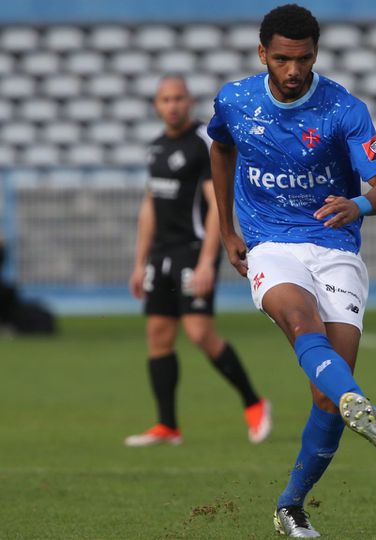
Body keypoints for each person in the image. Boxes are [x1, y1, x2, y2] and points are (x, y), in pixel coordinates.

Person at [206, 4, 376, 537]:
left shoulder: (344, 109)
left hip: (336, 248)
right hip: (271, 244)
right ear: (263, 54)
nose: (294, 71)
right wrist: (227, 228)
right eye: (284, 59)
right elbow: (220, 149)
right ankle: (358, 401)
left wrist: (358, 205)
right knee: (300, 322)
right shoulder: (235, 99)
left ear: (316, 54)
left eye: (305, 59)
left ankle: (290, 505)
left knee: (323, 395)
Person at [126, 75, 271, 447]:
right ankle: (167, 426)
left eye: (178, 98)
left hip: (193, 251)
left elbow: (213, 207)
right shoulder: (156, 148)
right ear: (157, 105)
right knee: (158, 336)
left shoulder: (201, 143)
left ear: (189, 101)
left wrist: (208, 262)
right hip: (161, 255)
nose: (172, 105)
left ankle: (254, 403)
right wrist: (140, 261)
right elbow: (149, 206)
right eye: (165, 99)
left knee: (200, 333)